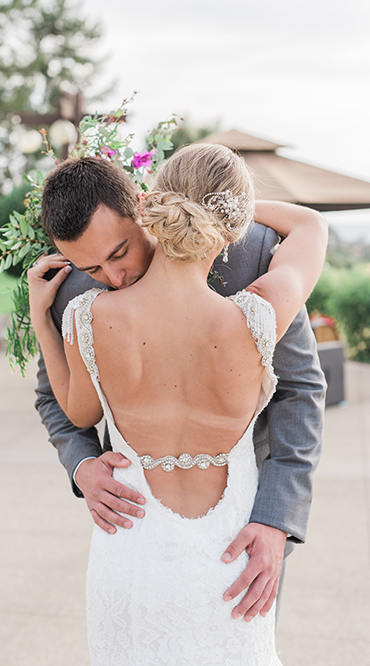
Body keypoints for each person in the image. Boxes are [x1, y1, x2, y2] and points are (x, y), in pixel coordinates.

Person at [28, 143, 327, 664]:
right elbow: (311, 228)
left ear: (147, 207)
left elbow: (301, 391)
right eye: (91, 266)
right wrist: (81, 467)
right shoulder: (256, 312)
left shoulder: (86, 314)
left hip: (223, 536)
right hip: (184, 540)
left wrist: (278, 519)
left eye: (118, 253)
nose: (111, 275)